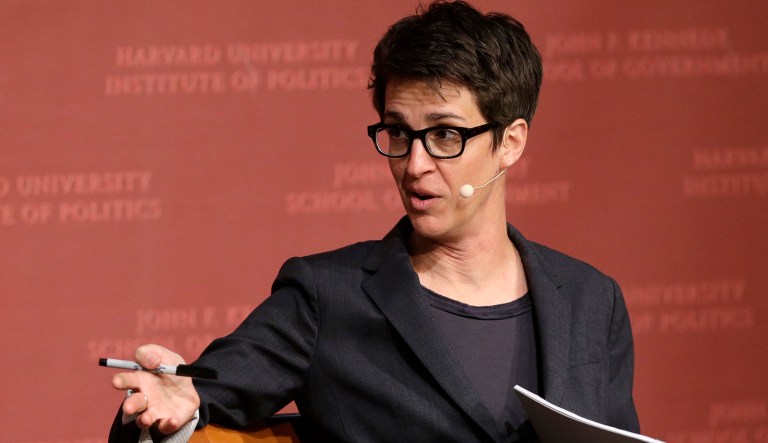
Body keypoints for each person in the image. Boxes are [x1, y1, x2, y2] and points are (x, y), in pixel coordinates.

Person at [108, 1, 640, 441]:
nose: (414, 164)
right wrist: (167, 410)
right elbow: (188, 400)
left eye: (446, 135)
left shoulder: (591, 301)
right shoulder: (327, 297)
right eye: (399, 133)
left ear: (511, 142)